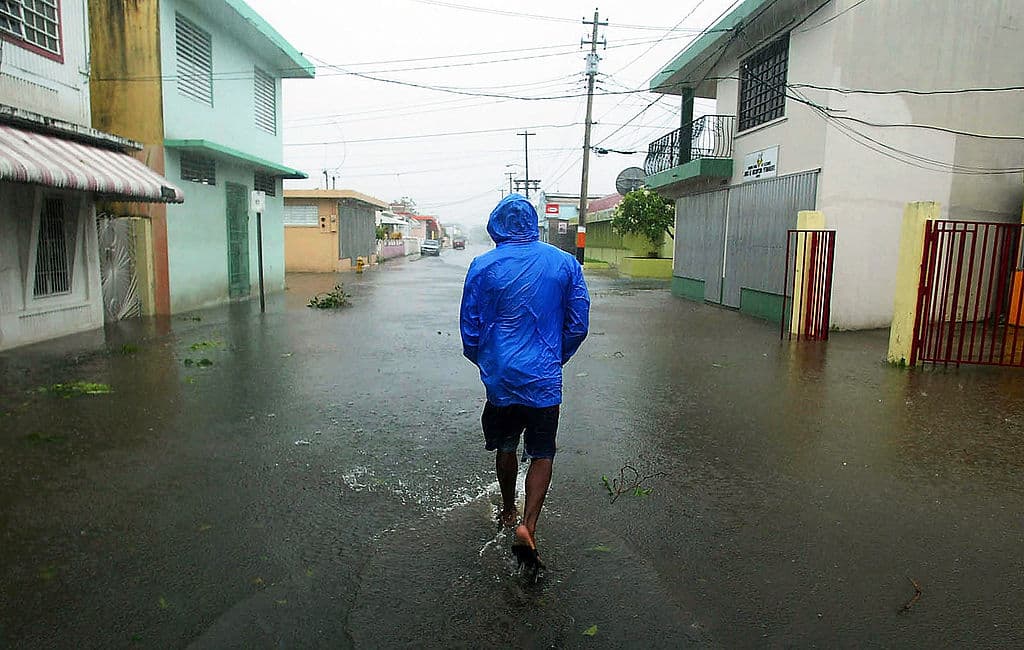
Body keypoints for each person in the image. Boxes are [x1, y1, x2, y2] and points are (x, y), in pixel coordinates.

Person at [459, 194, 590, 570]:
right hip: (544, 378)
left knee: (506, 444)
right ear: (533, 223)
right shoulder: (564, 263)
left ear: (496, 225)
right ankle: (528, 525)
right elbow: (578, 323)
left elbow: (470, 327)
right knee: (543, 451)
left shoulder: (483, 266)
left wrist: (487, 362)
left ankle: (507, 509)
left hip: (502, 377)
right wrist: (554, 358)